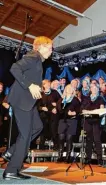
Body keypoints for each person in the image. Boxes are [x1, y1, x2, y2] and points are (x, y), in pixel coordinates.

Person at [2, 36, 53, 180]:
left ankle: (11, 152)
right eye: (49, 48)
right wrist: (29, 85)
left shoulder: (37, 60)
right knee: (25, 136)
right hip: (22, 101)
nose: (51, 51)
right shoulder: (34, 56)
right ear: (41, 46)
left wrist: (35, 85)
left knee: (37, 127)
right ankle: (11, 170)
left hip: (29, 102)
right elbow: (14, 68)